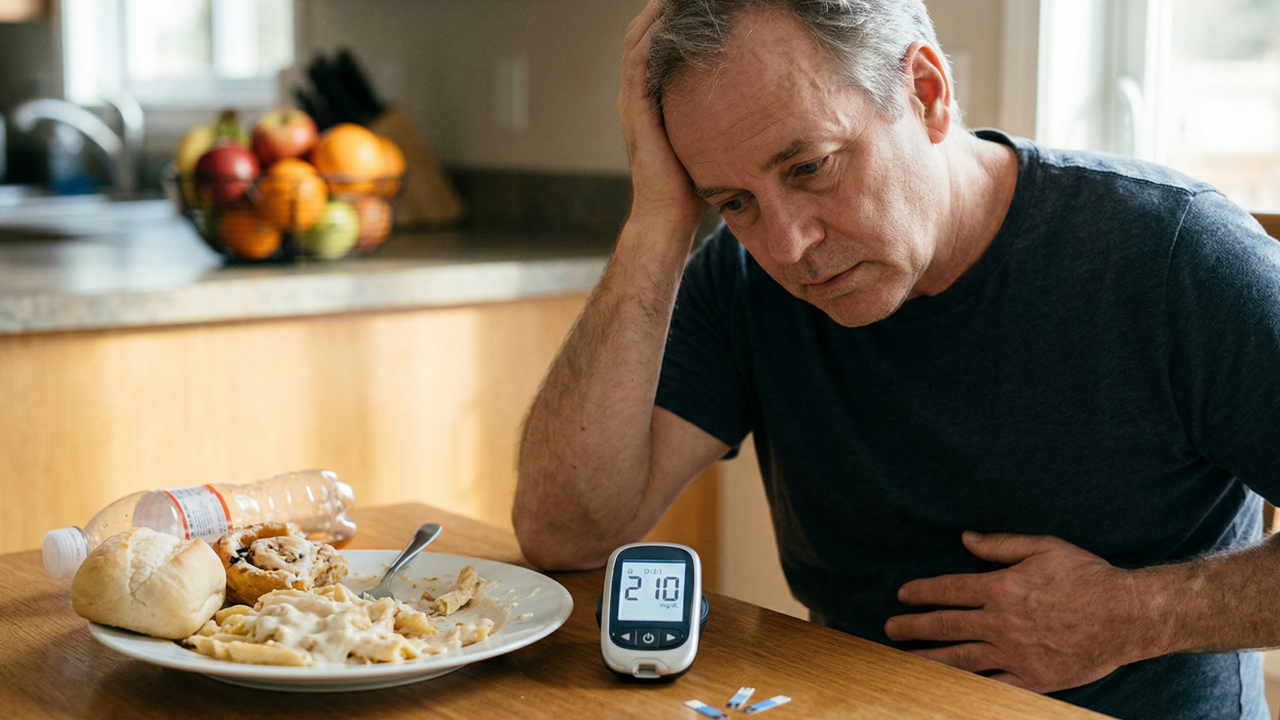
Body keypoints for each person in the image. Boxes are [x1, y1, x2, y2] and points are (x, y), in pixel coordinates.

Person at [512, 1, 1280, 718]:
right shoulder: (744, 282)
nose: (787, 247)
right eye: (733, 202)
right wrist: (658, 216)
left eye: (810, 166)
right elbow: (568, 535)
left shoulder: (1175, 255)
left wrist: (1132, 617)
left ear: (925, 91)